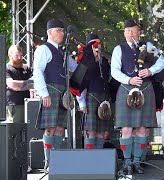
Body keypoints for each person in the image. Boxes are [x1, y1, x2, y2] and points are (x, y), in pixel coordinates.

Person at [111, 19, 164, 175]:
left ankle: (137, 162)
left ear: (138, 32)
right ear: (124, 33)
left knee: (142, 128)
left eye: (133, 30)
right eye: (127, 31)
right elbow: (114, 71)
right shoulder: (118, 49)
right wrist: (129, 80)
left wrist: (150, 71)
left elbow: (162, 61)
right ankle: (127, 163)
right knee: (127, 128)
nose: (130, 34)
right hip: (126, 88)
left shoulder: (148, 47)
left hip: (146, 88)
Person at [33, 19, 78, 170]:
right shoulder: (43, 49)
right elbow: (38, 71)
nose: (62, 33)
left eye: (62, 30)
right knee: (50, 127)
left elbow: (75, 67)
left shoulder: (63, 52)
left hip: (63, 93)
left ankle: (57, 162)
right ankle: (49, 163)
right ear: (49, 32)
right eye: (58, 30)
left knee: (60, 128)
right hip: (50, 91)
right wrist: (44, 94)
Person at [76, 33, 112, 149]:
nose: (98, 46)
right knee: (91, 131)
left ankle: (99, 160)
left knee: (102, 132)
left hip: (104, 99)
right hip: (91, 97)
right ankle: (89, 161)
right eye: (94, 44)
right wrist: (82, 103)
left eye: (99, 43)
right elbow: (78, 83)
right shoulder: (84, 61)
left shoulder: (105, 62)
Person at [6, 45, 33, 123]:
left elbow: (35, 82)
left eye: (21, 55)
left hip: (29, 104)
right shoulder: (6, 69)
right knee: (15, 130)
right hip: (14, 105)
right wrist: (28, 84)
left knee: (29, 129)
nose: (19, 58)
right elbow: (12, 85)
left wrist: (22, 85)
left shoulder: (26, 68)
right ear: (9, 56)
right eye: (16, 55)